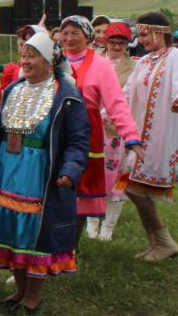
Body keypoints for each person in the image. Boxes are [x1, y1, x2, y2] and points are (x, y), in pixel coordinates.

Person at [0, 28, 89, 313]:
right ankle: (20, 289)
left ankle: (33, 296)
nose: (25, 61)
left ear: (49, 61)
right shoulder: (14, 88)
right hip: (8, 166)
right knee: (13, 226)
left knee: (34, 229)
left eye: (33, 56)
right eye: (23, 55)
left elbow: (78, 138)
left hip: (39, 170)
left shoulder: (66, 94)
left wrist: (71, 169)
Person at [59, 15, 142, 241]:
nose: (69, 38)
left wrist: (131, 136)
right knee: (51, 189)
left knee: (77, 190)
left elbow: (116, 103)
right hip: (54, 133)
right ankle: (48, 249)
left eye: (75, 33)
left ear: (88, 36)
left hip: (85, 134)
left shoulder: (100, 64)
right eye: (65, 33)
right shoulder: (53, 60)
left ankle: (69, 248)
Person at [121, 12, 178, 261]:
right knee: (133, 187)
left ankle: (164, 242)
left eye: (145, 33)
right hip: (140, 136)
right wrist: (107, 113)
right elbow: (127, 93)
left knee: (134, 187)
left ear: (159, 32)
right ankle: (157, 242)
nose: (141, 38)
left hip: (161, 135)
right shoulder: (145, 61)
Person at [88, 22, 137, 240]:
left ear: (128, 44)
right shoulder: (92, 61)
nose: (116, 46)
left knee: (118, 177)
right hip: (92, 127)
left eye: (122, 42)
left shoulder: (135, 67)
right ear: (105, 42)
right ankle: (91, 221)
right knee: (93, 173)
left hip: (118, 130)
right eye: (113, 41)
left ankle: (108, 225)